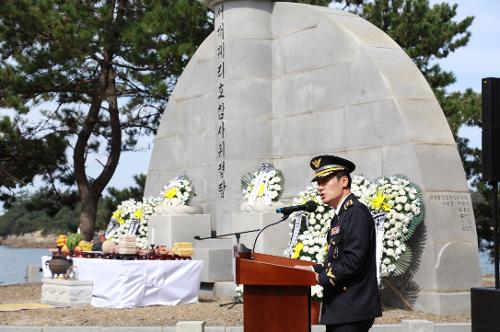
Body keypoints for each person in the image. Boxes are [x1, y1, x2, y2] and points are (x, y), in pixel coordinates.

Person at [296, 155, 382, 332]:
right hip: (343, 308)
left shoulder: (356, 212)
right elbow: (338, 259)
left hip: (352, 308)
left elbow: (353, 260)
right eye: (318, 182)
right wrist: (314, 269)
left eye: (325, 180)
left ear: (344, 181)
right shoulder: (342, 215)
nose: (320, 187)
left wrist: (322, 278)